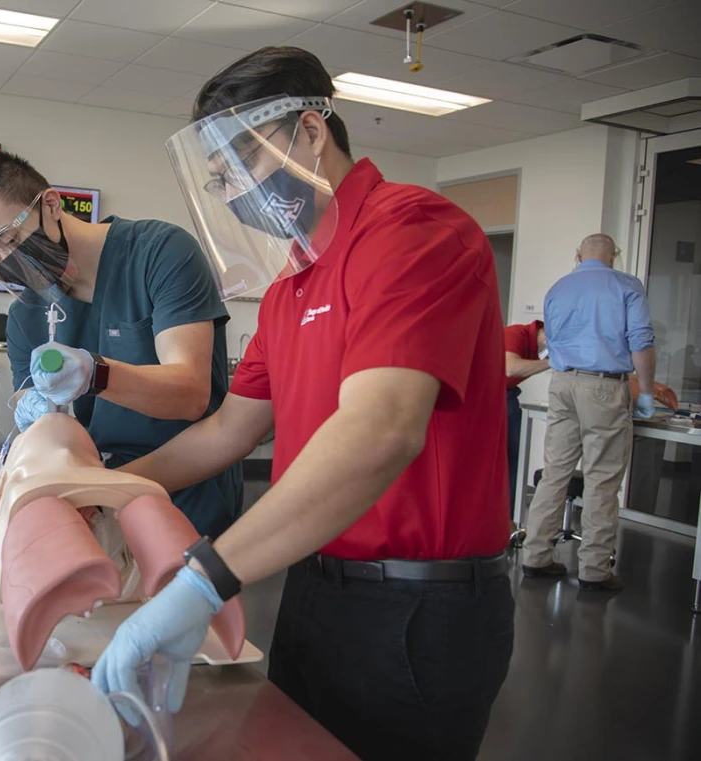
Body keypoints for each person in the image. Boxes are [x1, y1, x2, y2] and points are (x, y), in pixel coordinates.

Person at [90, 47, 513, 761]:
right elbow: (228, 428)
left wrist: (205, 579)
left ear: (312, 133)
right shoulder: (292, 284)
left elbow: (380, 432)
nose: (232, 196)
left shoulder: (412, 233)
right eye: (218, 180)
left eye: (240, 168)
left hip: (418, 604)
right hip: (315, 583)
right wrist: (107, 488)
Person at [0, 151, 242, 538]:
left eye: (10, 239)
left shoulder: (160, 254)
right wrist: (34, 426)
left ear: (50, 204)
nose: (6, 260)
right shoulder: (26, 315)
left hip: (185, 505)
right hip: (91, 510)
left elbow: (189, 394)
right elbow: (43, 429)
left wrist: (94, 373)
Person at [521, 234, 656, 592]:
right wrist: (646, 390)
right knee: (602, 479)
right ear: (614, 256)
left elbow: (550, 342)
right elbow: (641, 341)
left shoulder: (558, 288)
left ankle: (535, 557)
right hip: (604, 387)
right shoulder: (627, 285)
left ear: (578, 255)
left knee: (554, 473)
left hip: (562, 384)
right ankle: (595, 570)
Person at [505, 320, 548, 514]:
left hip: (508, 394)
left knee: (516, 455)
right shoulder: (517, 335)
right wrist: (553, 362)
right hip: (486, 395)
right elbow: (511, 368)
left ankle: (510, 517)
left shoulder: (541, 349)